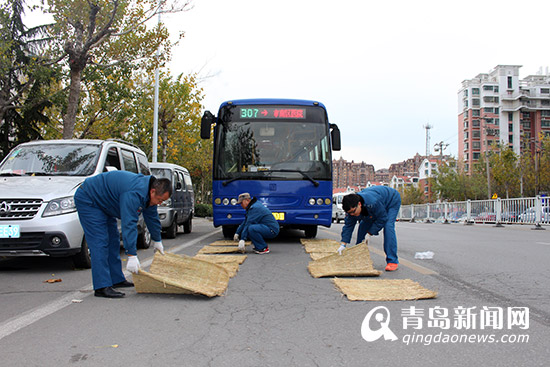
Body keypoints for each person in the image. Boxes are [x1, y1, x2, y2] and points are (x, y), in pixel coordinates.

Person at [74, 171, 171, 298]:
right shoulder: (134, 193)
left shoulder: (149, 194)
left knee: (113, 240)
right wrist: (131, 254)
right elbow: (128, 223)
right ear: (153, 191)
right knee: (100, 241)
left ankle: (116, 279)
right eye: (160, 200)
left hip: (105, 203)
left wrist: (157, 240)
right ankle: (102, 286)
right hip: (90, 199)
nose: (159, 203)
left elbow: (152, 217)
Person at [337, 186, 401, 271]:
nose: (352, 214)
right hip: (376, 204)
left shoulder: (373, 202)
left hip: (391, 200)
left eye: (353, 212)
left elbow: (382, 218)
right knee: (363, 225)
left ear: (359, 204)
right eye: (349, 213)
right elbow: (348, 226)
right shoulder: (352, 209)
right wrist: (343, 244)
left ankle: (392, 261)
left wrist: (370, 233)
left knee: (388, 226)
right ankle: (359, 256)